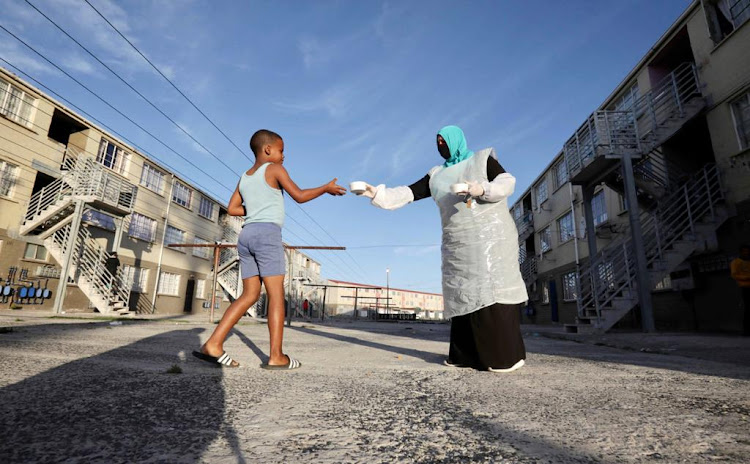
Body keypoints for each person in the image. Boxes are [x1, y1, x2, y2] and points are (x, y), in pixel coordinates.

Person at [356, 125, 528, 372]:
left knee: (491, 293)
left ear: (455, 140)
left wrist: (481, 189)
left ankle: (503, 357)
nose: (440, 146)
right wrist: (376, 193)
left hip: (490, 241)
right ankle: (464, 355)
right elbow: (408, 193)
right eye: (437, 142)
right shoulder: (437, 174)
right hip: (458, 244)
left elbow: (506, 181)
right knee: (461, 294)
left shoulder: (481, 160)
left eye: (443, 141)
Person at [193, 129, 346, 369]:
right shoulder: (274, 169)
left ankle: (213, 344)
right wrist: (325, 188)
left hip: (246, 236)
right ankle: (276, 356)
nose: (284, 155)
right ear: (268, 150)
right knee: (276, 295)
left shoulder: (245, 176)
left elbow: (233, 208)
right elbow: (299, 196)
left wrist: (254, 207)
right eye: (281, 150)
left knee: (249, 295)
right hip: (266, 235)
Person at [730, 244, 750, 336]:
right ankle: (746, 330)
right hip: (745, 287)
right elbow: (734, 275)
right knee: (748, 308)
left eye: (747, 251)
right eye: (744, 251)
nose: (746, 253)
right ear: (741, 252)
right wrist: (747, 277)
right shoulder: (736, 262)